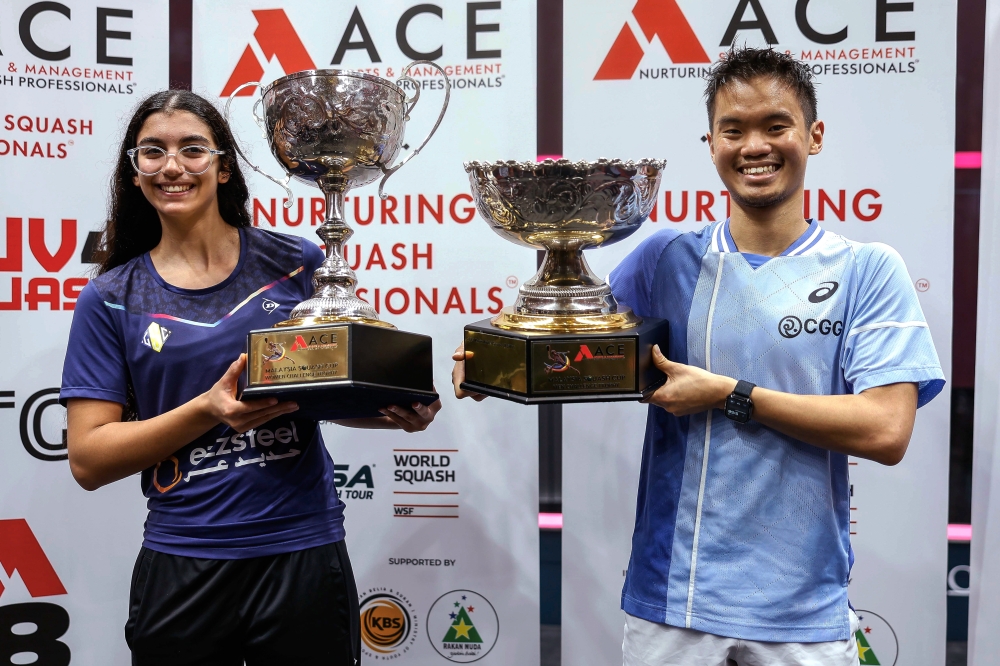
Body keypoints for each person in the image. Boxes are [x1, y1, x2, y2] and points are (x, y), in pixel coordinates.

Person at [453, 46, 944, 665]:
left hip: (803, 608)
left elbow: (886, 430)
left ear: (813, 136)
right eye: (733, 130)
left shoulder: (868, 269)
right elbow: (573, 348)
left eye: (776, 125)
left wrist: (729, 394)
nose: (754, 147)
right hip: (674, 600)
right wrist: (492, 364)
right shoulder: (664, 260)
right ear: (710, 143)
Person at [61, 90, 441, 666]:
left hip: (302, 551)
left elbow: (318, 396)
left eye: (192, 149)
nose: (172, 167)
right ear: (134, 170)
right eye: (153, 151)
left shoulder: (296, 266)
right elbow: (89, 458)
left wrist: (394, 410)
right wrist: (208, 409)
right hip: (184, 556)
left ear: (223, 165)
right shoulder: (111, 297)